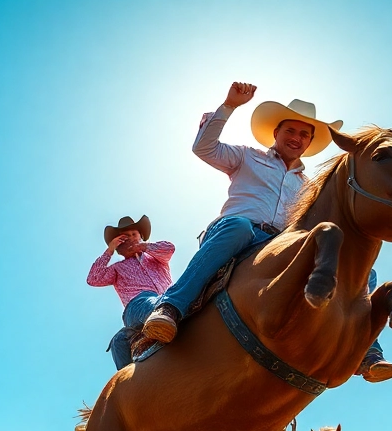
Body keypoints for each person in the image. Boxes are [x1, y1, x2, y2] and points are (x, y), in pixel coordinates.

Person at [140, 82, 340, 344]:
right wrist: (229, 106)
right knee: (240, 227)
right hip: (233, 232)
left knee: (341, 257)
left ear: (309, 141)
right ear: (276, 132)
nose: (296, 137)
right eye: (290, 130)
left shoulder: (308, 187)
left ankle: (366, 348)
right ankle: (170, 307)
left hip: (277, 243)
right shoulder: (248, 156)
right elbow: (204, 148)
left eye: (304, 134)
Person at [86, 215, 175, 368]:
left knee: (118, 340)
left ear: (141, 237)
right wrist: (110, 250)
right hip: (136, 307)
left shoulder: (155, 258)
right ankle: (128, 385)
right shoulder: (117, 269)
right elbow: (93, 278)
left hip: (167, 297)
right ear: (119, 245)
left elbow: (169, 248)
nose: (132, 239)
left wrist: (143, 247)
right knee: (120, 341)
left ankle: (167, 314)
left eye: (134, 235)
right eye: (125, 238)